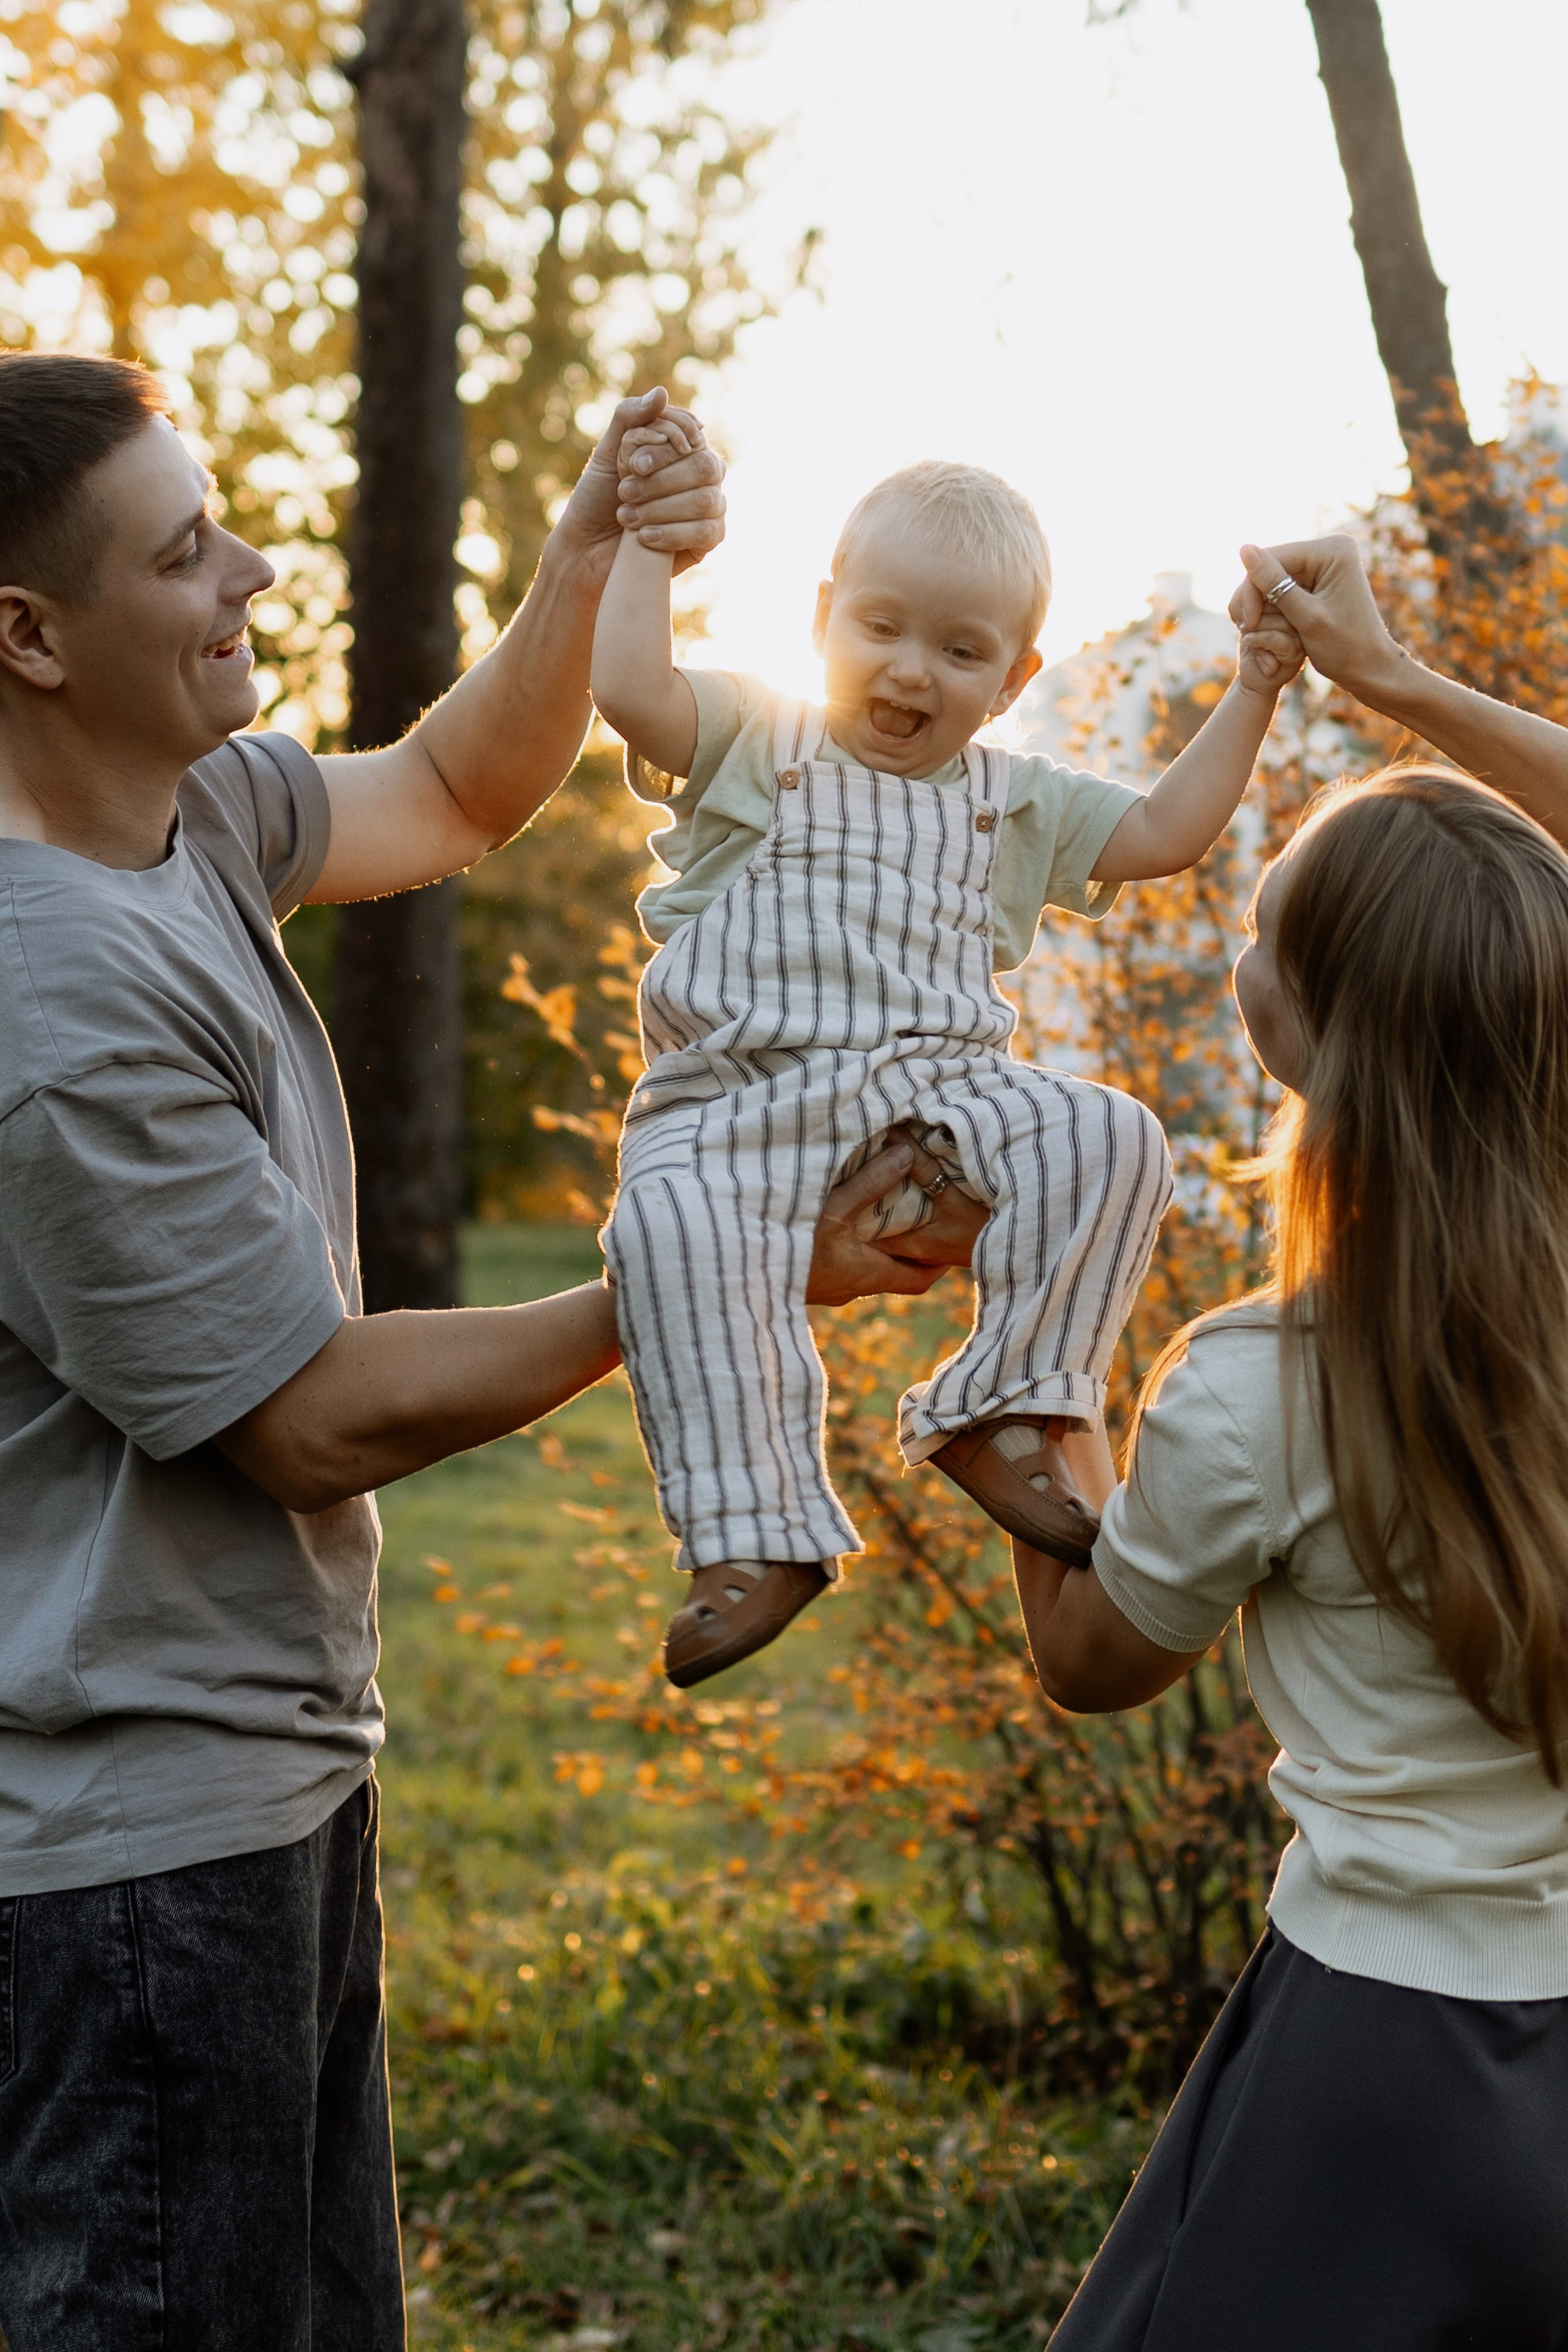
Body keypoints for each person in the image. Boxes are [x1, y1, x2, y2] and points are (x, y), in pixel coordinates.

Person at [0, 349, 970, 2350]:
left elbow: (453, 790)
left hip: (255, 1781)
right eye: (187, 555)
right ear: (29, 635)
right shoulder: (52, 1005)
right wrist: (716, 1264)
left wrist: (588, 549)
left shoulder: (177, 821)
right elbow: (304, 1416)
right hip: (123, 1864)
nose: (254, 567)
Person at [1014, 536, 1568, 2349]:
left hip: (1384, 2065)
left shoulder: (1261, 1383)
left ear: (1294, 1036)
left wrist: (1041, 1364)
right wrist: (1399, 684)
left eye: (1261, 931)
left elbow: (1094, 1661)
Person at [589, 441, 1304, 1688]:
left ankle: (1009, 1400)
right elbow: (630, 691)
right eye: (879, 626)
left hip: (939, 1096)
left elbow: (1162, 833)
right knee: (664, 1230)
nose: (910, 668)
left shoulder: (1010, 802)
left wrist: (1253, 683)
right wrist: (650, 541)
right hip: (735, 1102)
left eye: (960, 650)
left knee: (1113, 1136)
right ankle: (755, 1534)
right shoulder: (758, 737)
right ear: (820, 619)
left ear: (1012, 679)